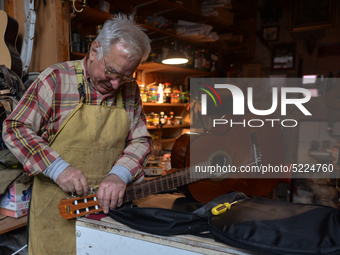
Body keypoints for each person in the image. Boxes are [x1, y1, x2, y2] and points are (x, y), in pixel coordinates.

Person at [2, 14, 152, 255]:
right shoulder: (56, 79)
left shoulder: (130, 90)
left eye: (125, 76)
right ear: (94, 51)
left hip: (108, 212)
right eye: (112, 72)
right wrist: (57, 167)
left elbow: (141, 140)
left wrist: (120, 174)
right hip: (55, 211)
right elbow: (15, 127)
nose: (116, 85)